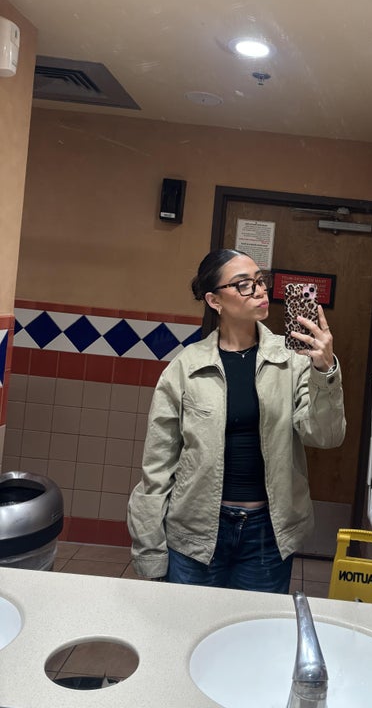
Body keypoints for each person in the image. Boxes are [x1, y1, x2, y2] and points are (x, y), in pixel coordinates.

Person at [127, 248, 346, 592]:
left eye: (260, 280)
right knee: (189, 623)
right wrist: (150, 550)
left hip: (267, 535)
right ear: (214, 301)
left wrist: (325, 370)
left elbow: (325, 436)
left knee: (255, 626)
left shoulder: (293, 361)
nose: (260, 290)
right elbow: (157, 467)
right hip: (195, 532)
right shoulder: (186, 368)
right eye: (244, 284)